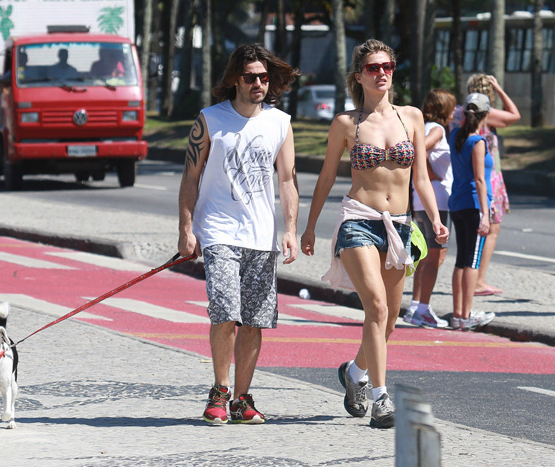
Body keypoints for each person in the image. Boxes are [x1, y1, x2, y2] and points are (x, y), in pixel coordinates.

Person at [300, 39, 448, 429]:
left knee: (390, 322)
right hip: (359, 220)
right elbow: (327, 177)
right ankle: (382, 399)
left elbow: (421, 179)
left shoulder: (412, 117)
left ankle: (353, 374)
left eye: (387, 66)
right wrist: (310, 226)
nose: (381, 73)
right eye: (372, 68)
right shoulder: (346, 123)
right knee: (377, 309)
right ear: (358, 76)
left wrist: (434, 219)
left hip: (399, 225)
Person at [177, 43, 299, 425]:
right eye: (251, 77)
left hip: (261, 236)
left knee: (254, 320)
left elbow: (288, 180)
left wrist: (291, 229)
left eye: (264, 77)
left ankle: (242, 399)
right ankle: (220, 390)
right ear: (234, 80)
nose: (259, 83)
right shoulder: (210, 119)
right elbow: (191, 178)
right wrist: (186, 229)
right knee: (226, 312)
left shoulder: (280, 122)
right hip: (218, 231)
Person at [404, 89, 456, 328]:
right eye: (452, 107)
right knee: (435, 256)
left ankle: (415, 305)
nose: (455, 112)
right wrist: (431, 173)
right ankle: (423, 308)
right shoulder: (437, 130)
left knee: (424, 254)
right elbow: (418, 150)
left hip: (420, 198)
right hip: (436, 199)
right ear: (445, 109)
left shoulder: (420, 126)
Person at [465, 74, 520, 296]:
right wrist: (500, 90)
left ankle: (473, 279)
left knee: (476, 229)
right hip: (489, 176)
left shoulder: (462, 112)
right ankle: (478, 280)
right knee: (492, 228)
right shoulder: (485, 114)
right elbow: (514, 116)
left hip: (474, 173)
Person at [448, 93, 497, 331]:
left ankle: (458, 313)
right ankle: (466, 314)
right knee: (472, 261)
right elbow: (479, 179)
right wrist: (486, 214)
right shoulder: (477, 141)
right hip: (474, 205)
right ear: (485, 115)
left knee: (461, 260)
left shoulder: (455, 135)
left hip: (457, 203)